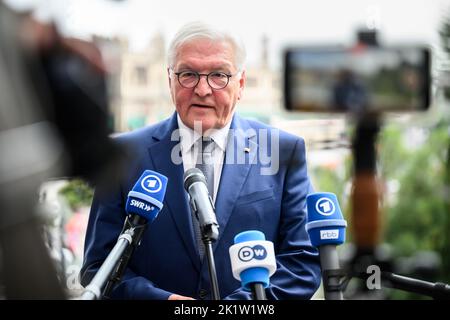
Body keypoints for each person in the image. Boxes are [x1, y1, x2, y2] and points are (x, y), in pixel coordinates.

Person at [80, 21, 321, 300]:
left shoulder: (282, 151)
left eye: (219, 75)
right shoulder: (123, 155)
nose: (203, 89)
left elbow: (302, 263)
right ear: (170, 79)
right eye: (188, 74)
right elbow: (98, 267)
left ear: (240, 84)